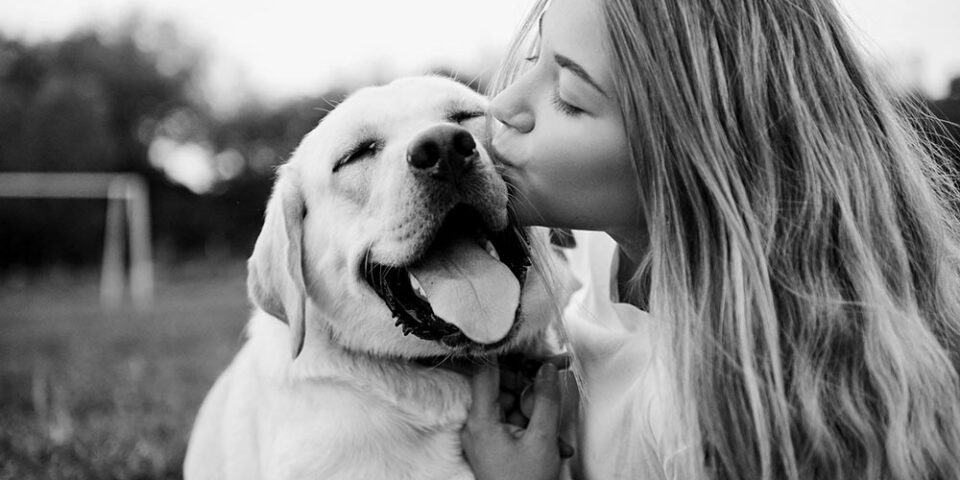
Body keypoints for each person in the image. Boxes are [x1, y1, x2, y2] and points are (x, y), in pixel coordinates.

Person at [459, 0, 960, 479]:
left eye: (569, 98)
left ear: (688, 155)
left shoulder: (712, 419)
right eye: (535, 56)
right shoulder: (600, 253)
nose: (503, 104)